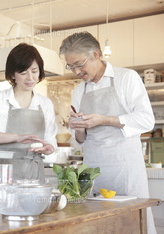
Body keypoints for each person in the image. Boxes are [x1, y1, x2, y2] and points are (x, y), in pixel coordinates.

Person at [59, 31, 156, 233]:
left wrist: (104, 120)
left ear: (95, 55)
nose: (76, 71)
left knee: (130, 224)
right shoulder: (79, 90)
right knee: (97, 225)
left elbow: (147, 120)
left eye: (79, 64)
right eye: (71, 66)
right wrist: (78, 128)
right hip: (94, 170)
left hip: (125, 169)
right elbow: (80, 140)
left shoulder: (126, 78)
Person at [0, 43, 57, 183]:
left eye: (34, 71)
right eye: (23, 73)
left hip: (34, 175)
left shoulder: (45, 104)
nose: (30, 78)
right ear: (13, 74)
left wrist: (49, 148)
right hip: (3, 175)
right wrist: (17, 137)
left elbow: (50, 139)